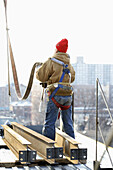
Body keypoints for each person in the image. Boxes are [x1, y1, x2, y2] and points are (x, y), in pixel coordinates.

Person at [36, 38, 75, 140]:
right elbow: (72, 78)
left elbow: (41, 76)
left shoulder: (51, 61)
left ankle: (48, 146)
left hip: (55, 95)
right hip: (67, 97)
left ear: (57, 49)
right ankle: (73, 147)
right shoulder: (68, 64)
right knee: (68, 123)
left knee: (50, 123)